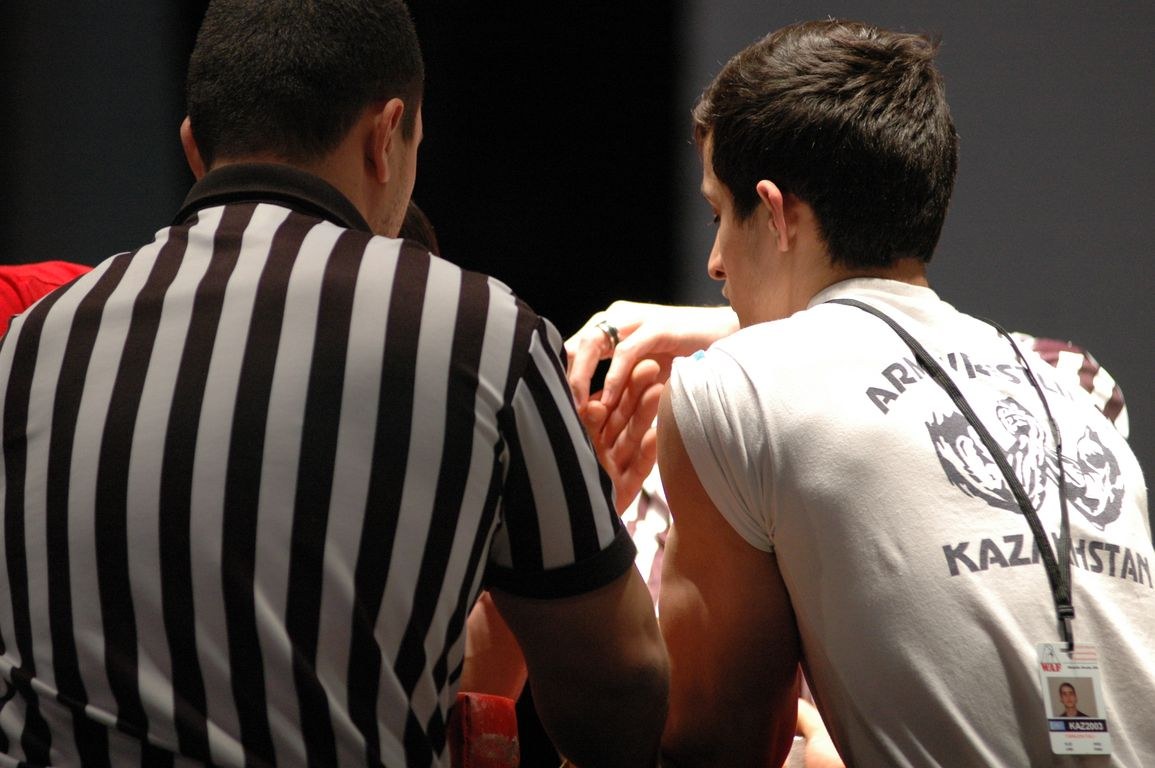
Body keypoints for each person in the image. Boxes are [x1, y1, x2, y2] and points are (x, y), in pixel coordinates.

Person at [0, 3, 668, 767]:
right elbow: (617, 691)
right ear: (386, 137)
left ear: (193, 148)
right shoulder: (478, 327)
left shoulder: (32, 338)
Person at [567, 20, 1153, 767]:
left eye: (720, 215)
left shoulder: (733, 385)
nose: (713, 261)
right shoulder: (1071, 395)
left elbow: (715, 747)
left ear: (775, 213)